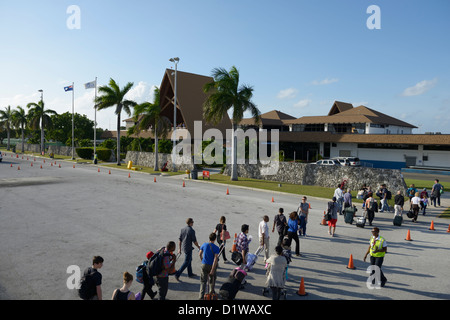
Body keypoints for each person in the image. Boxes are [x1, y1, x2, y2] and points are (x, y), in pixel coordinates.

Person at [198, 233, 220, 299]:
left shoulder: (204, 245)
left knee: (203, 281)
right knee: (212, 280)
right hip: (211, 266)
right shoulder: (216, 248)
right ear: (215, 239)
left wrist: (202, 260)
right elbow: (215, 259)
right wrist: (213, 269)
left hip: (204, 265)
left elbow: (200, 254)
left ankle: (201, 297)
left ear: (209, 238)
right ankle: (211, 292)